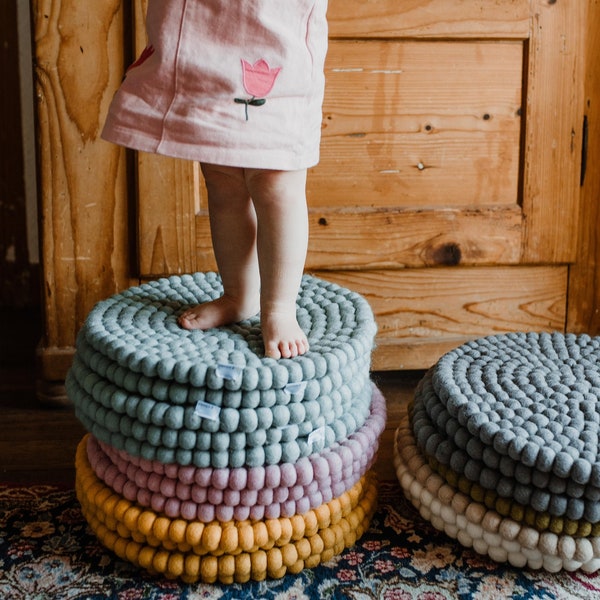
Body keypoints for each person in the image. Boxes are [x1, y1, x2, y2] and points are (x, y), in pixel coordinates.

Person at [102, 0, 329, 359]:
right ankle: (239, 295)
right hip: (205, 36)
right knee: (222, 180)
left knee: (277, 184)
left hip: (275, 37)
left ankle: (279, 308)